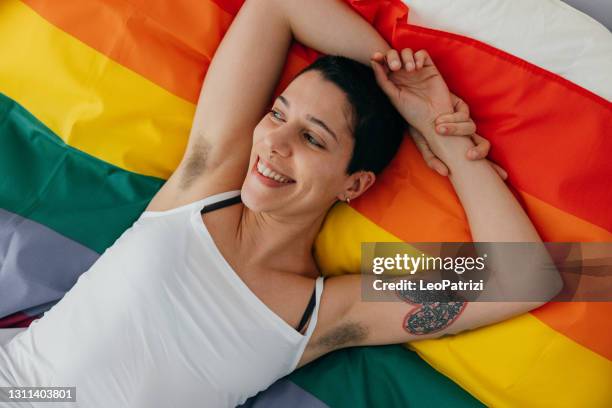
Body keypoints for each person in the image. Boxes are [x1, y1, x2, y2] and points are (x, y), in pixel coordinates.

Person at [0, 0, 562, 407]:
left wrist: (444, 137)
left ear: (355, 185)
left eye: (313, 138)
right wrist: (394, 77)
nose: (273, 142)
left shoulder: (330, 311)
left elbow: (525, 275)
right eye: (277, 113)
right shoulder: (203, 182)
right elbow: (278, 5)